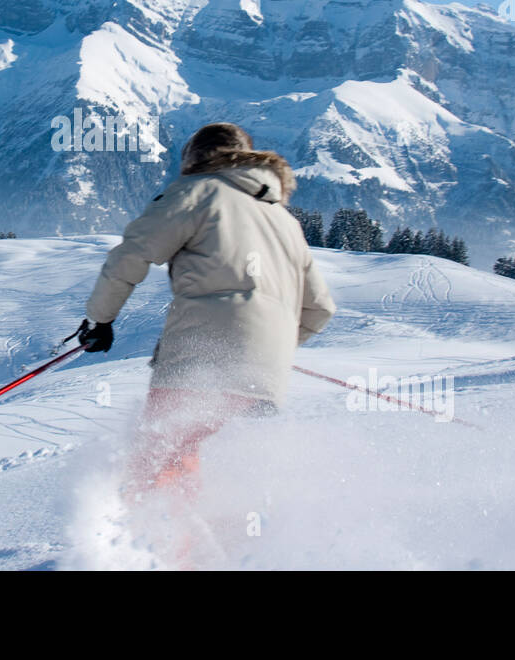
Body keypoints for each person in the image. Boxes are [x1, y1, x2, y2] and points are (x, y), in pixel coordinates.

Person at [80, 122, 337, 504]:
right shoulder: (286, 221)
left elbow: (132, 255)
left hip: (200, 360)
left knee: (158, 465)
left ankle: (145, 554)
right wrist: (269, 347)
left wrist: (99, 320)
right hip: (265, 378)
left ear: (194, 160)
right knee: (211, 474)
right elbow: (319, 309)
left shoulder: (197, 191)